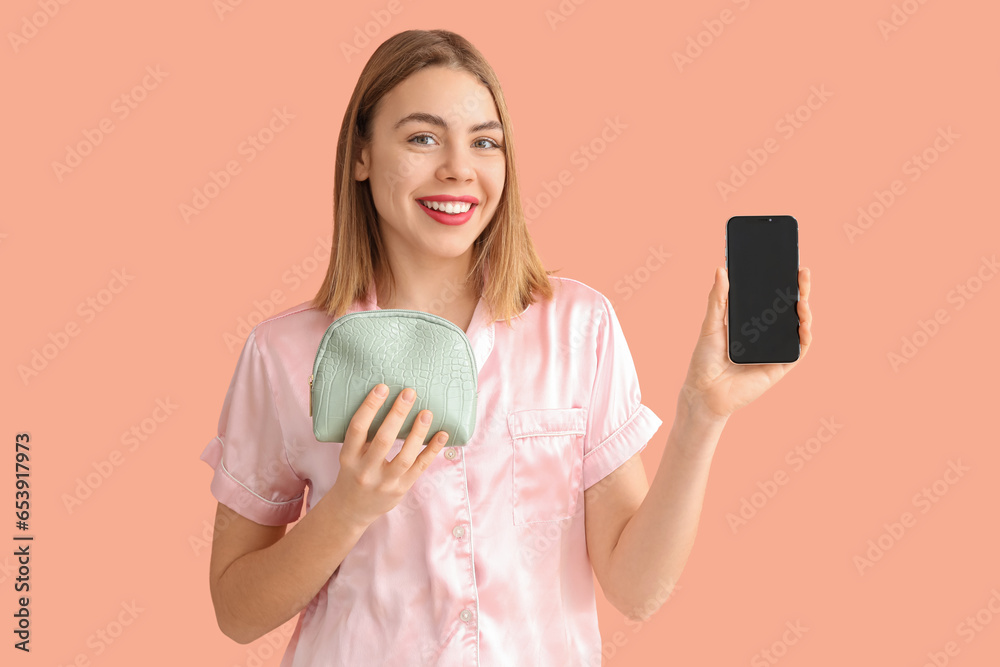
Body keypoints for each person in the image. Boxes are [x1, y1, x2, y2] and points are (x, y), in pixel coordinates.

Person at [199, 29, 813, 666]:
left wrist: (701, 415)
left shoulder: (579, 326)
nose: (459, 169)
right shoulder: (283, 353)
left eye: (484, 142)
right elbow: (236, 613)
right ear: (361, 154)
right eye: (422, 138)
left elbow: (635, 590)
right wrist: (347, 511)